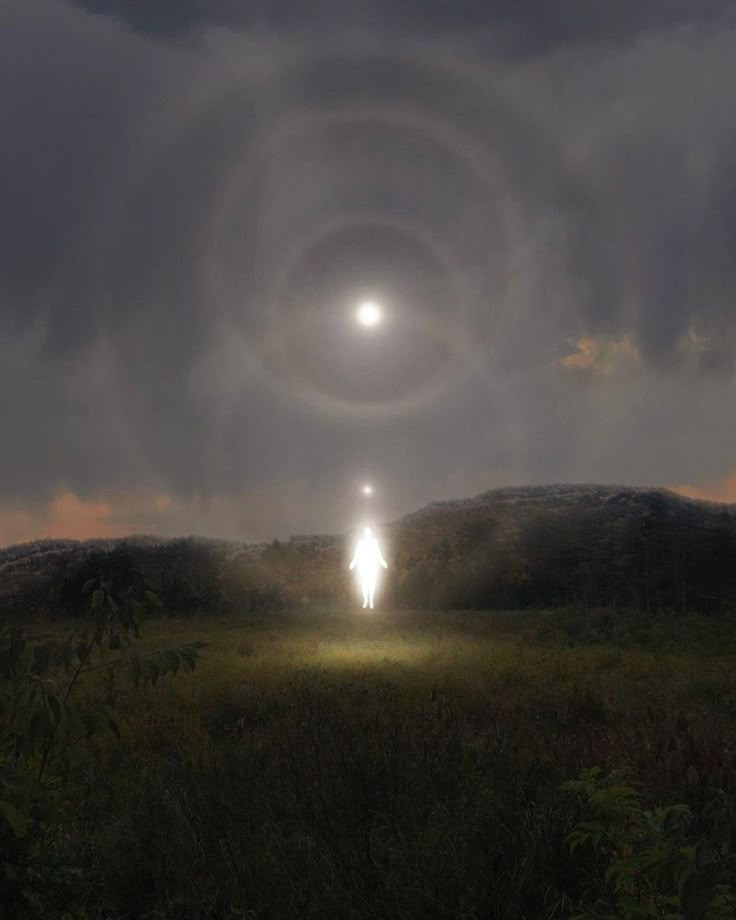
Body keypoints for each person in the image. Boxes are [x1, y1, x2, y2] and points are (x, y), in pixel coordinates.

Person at [349, 526, 388, 609]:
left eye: (369, 531)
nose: (367, 533)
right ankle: (366, 599)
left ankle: (371, 600)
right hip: (363, 564)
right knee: (364, 584)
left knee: (372, 583)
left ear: (370, 532)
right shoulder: (361, 542)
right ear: (364, 533)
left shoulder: (375, 542)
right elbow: (357, 554)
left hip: (372, 564)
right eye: (366, 531)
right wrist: (353, 562)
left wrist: (382, 562)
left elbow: (378, 553)